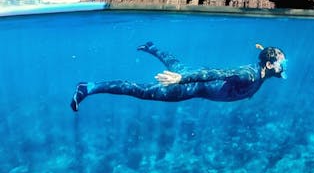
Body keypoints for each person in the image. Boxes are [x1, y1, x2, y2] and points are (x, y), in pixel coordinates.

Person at [70, 42, 287, 112]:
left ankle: (151, 47)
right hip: (191, 87)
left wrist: (268, 53)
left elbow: (270, 63)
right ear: (268, 64)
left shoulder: (262, 73)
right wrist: (180, 80)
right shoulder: (249, 75)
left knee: (178, 65)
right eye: (281, 63)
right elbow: (217, 74)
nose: (283, 66)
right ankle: (87, 87)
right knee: (140, 91)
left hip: (197, 81)